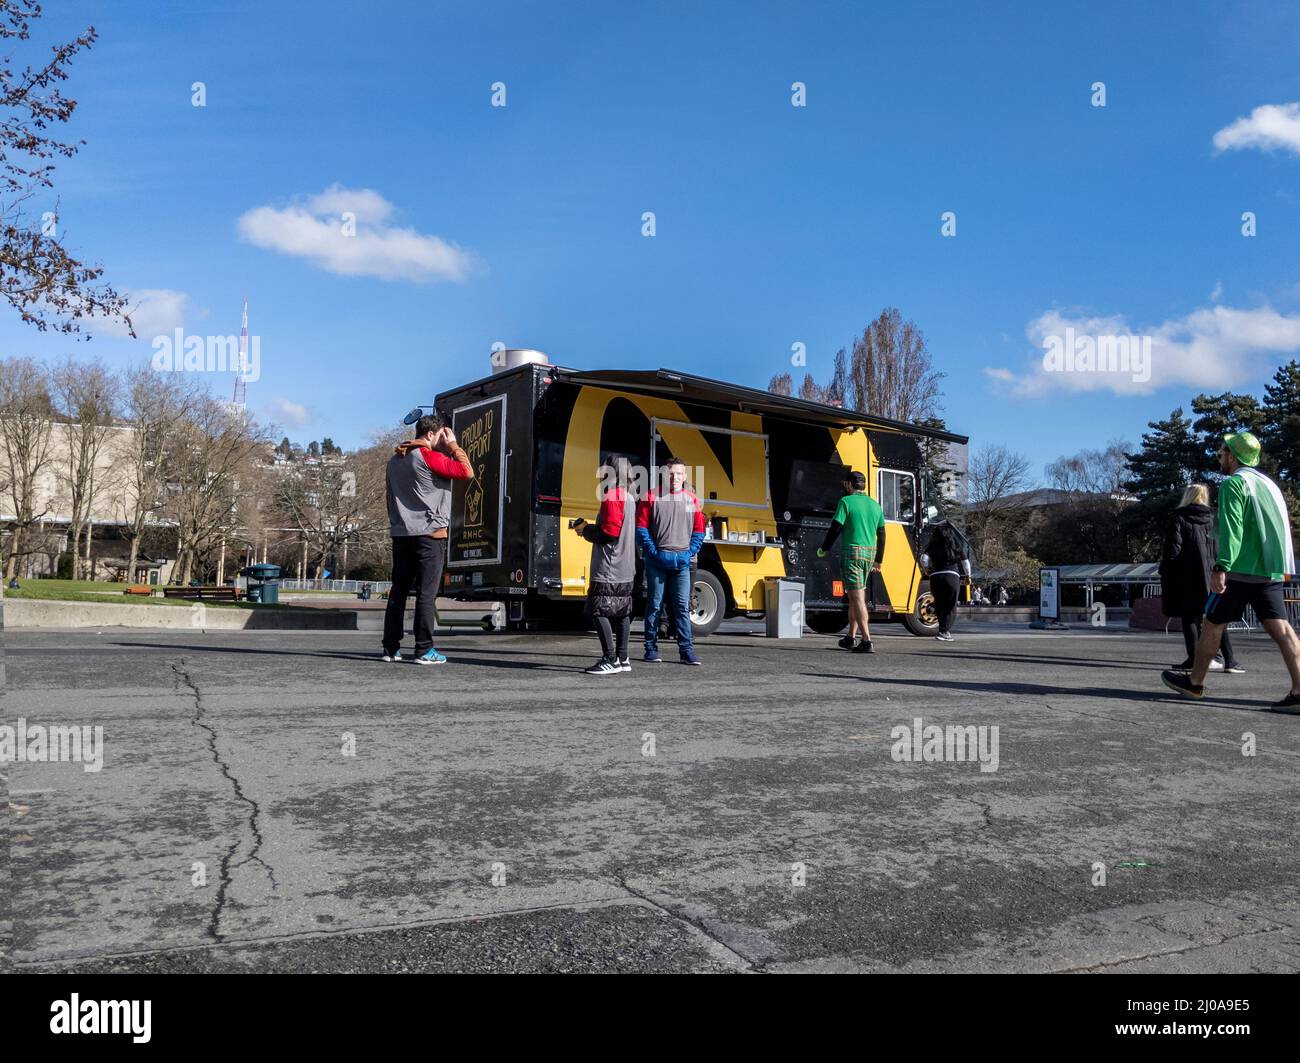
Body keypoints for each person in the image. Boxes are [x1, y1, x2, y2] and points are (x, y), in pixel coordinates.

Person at [1162, 432, 1300, 712]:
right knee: (1282, 629)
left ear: (1233, 456)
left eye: (1222, 452)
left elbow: (1232, 529)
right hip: (1270, 570)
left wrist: (1221, 566)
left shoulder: (1234, 484)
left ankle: (1195, 683)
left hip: (1239, 570)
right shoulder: (1267, 484)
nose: (1219, 456)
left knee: (1212, 623)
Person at [382, 414, 474, 664]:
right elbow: (467, 471)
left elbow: (389, 498)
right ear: (432, 434)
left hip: (401, 534)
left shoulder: (394, 460)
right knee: (426, 593)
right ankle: (424, 649)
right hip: (429, 535)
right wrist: (453, 445)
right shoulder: (430, 456)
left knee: (398, 591)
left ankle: (390, 648)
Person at [1159, 482, 1240, 673]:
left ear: (1187, 496)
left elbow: (1173, 550)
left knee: (1190, 617)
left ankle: (1194, 658)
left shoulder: (1179, 517)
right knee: (1217, 617)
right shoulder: (1214, 517)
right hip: (1214, 573)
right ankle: (1230, 660)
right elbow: (1223, 543)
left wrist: (1166, 569)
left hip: (1187, 576)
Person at [637, 457, 706, 665]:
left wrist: (688, 553)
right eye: (671, 473)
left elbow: (699, 531)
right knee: (655, 605)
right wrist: (654, 553)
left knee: (682, 607)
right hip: (657, 562)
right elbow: (641, 528)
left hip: (681, 563)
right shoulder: (650, 496)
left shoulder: (691, 500)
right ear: (664, 475)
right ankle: (650, 649)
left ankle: (686, 651)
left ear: (685, 476)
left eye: (679, 473)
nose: (675, 477)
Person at [574, 455, 637, 676]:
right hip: (626, 566)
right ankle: (623, 658)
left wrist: (586, 530)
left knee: (597, 610)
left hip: (609, 566)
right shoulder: (629, 497)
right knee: (622, 613)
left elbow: (609, 532)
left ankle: (609, 659)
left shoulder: (612, 495)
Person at [816, 470, 886, 653]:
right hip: (870, 554)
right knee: (856, 596)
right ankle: (850, 637)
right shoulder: (875, 505)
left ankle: (867, 641)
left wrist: (824, 548)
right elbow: (882, 534)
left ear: (849, 485)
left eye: (845, 484)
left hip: (852, 553)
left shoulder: (846, 502)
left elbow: (836, 527)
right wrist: (879, 560)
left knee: (857, 598)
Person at [922, 517, 971, 642]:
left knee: (939, 604)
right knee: (950, 605)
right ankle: (944, 631)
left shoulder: (931, 546)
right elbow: (965, 563)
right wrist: (968, 577)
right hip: (951, 576)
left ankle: (942, 630)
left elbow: (924, 559)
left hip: (935, 577)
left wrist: (927, 570)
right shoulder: (956, 546)